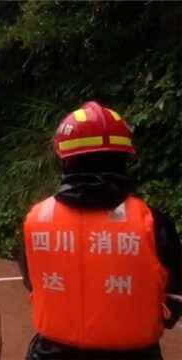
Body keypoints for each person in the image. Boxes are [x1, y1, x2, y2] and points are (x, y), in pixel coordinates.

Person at [18, 101, 181, 359]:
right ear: (124, 158)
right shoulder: (153, 223)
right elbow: (175, 299)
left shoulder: (35, 220)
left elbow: (32, 282)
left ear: (65, 160)